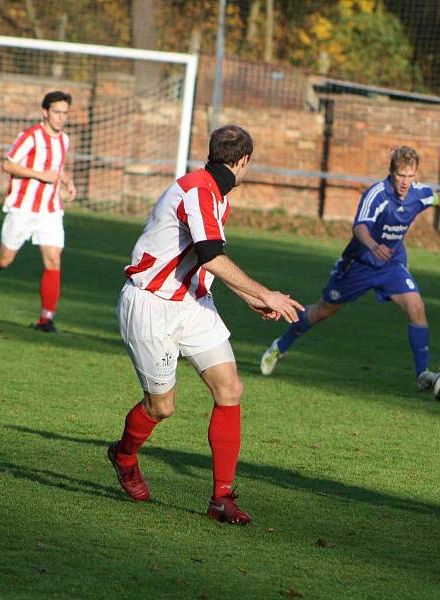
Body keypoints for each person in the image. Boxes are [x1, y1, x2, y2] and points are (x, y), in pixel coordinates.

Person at [107, 125, 303, 524]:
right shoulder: (198, 191)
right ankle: (123, 455)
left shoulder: (215, 194)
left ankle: (221, 498)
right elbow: (212, 255)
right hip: (151, 305)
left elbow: (203, 262)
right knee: (162, 407)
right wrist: (266, 294)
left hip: (192, 304)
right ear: (244, 161)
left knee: (230, 388)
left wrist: (248, 298)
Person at [259, 145, 440, 390]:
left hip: (391, 264)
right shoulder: (376, 195)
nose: (405, 182)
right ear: (391, 172)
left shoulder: (418, 194)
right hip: (358, 265)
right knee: (322, 311)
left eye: (410, 176)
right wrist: (373, 245)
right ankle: (279, 347)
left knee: (416, 307)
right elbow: (359, 227)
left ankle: (423, 373)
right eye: (401, 175)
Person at [0, 90, 76, 332]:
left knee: (54, 260)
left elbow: (56, 166)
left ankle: (46, 319)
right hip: (22, 208)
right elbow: (8, 163)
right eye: (57, 112)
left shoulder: (64, 140)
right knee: (4, 260)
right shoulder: (30, 137)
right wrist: (39, 175)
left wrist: (66, 180)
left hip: (51, 210)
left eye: (65, 113)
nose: (61, 117)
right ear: (45, 112)